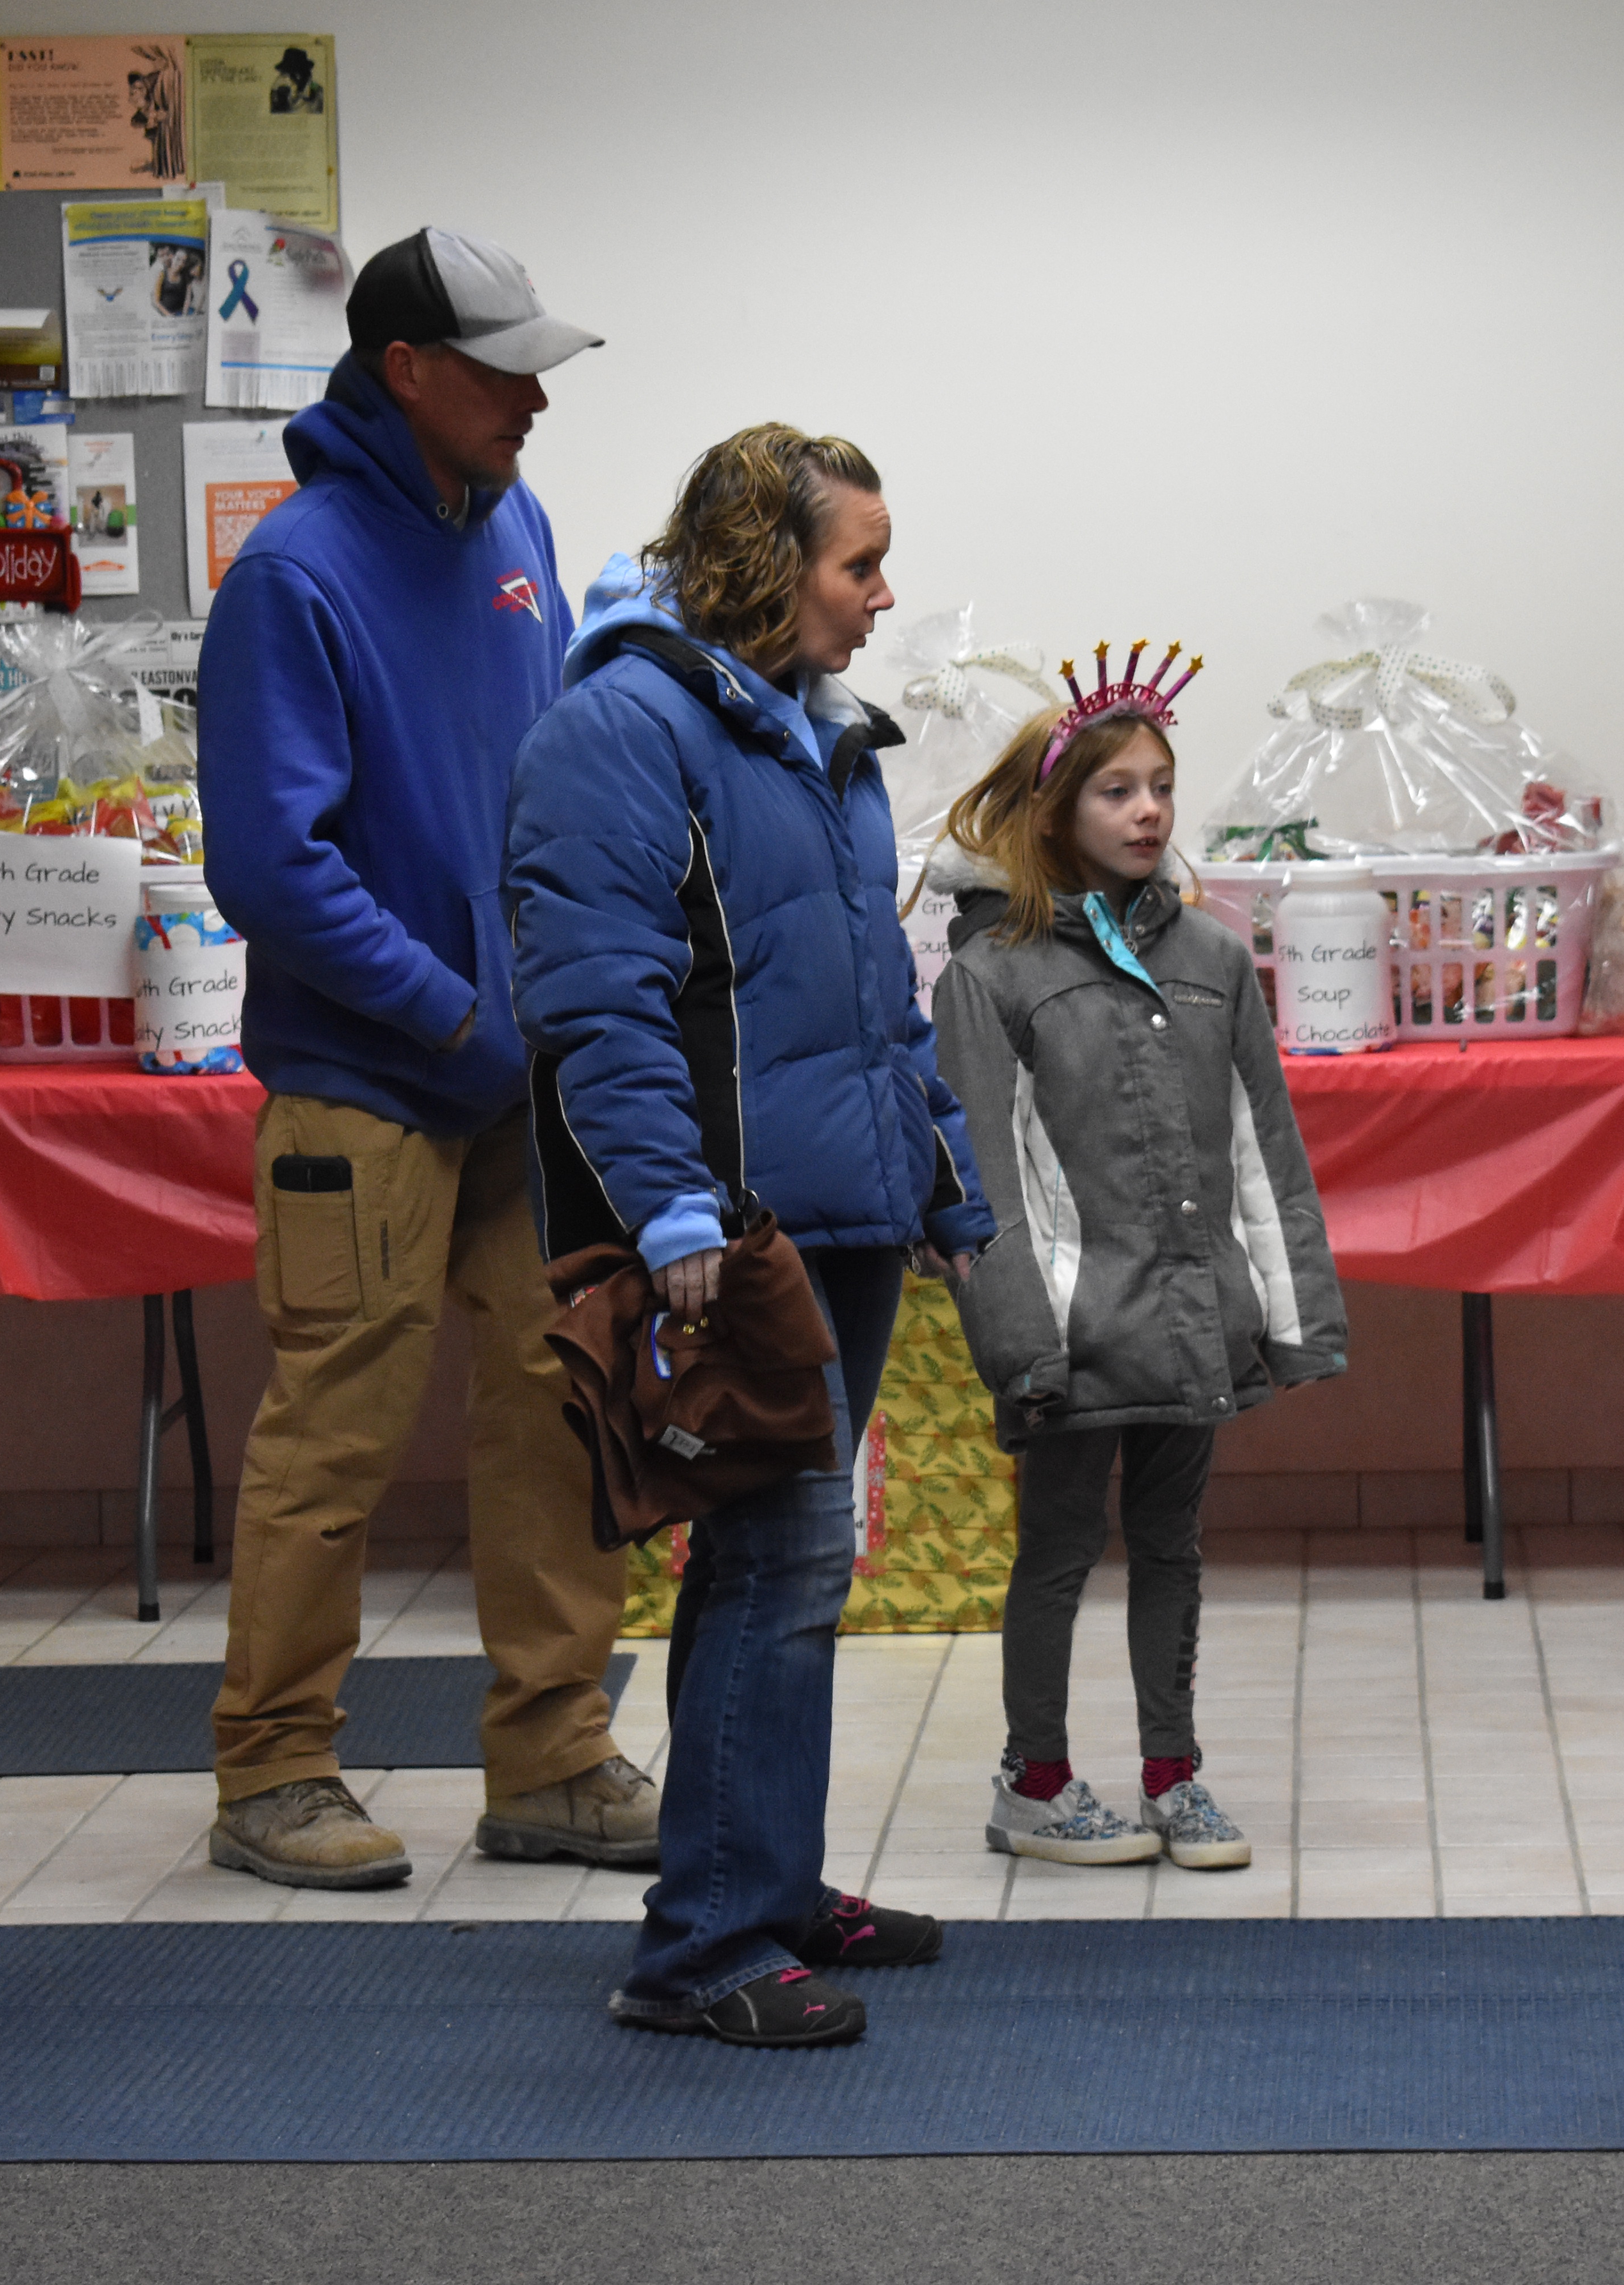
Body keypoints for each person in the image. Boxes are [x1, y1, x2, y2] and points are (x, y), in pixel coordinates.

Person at [507, 423, 996, 2046]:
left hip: (839, 1218)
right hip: (733, 1234)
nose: (882, 592)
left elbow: (876, 999)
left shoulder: (822, 735)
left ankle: (770, 1890)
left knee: (798, 1565)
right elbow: (598, 1004)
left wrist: (941, 1175)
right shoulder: (623, 728)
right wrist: (667, 1210)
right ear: (768, 566)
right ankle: (705, 1948)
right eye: (860, 563)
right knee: (768, 1561)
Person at [196, 227, 659, 1892]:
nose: (538, 395)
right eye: (503, 366)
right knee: (336, 1431)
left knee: (563, 1410)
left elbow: (547, 779)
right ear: (407, 370)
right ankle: (273, 1775)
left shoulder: (518, 525)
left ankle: (554, 1758)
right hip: (372, 1081)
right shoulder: (295, 575)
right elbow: (271, 865)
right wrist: (454, 1014)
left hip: (529, 1076)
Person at [924, 651, 1348, 1870]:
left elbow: (1263, 1150)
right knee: (1058, 1548)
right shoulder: (993, 968)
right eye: (1115, 790)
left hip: (1190, 1312)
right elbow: (983, 1179)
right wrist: (1020, 1338)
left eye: (1160, 785)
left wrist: (1288, 1308)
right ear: (1056, 811)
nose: (1148, 809)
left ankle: (1177, 1775)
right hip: (1072, 1325)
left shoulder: (1214, 960)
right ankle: (1037, 1780)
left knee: (1175, 1544)